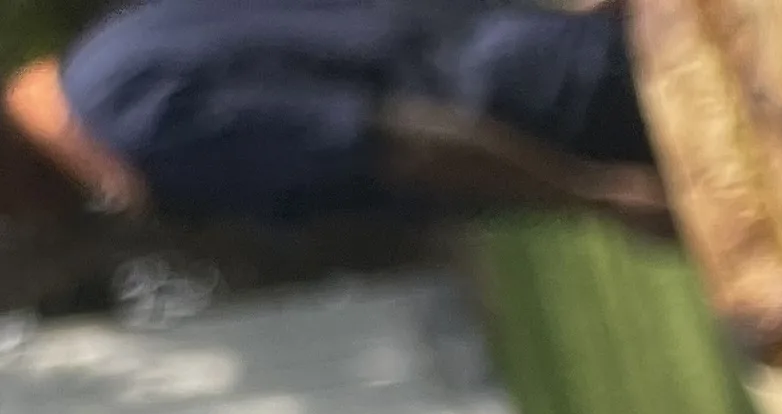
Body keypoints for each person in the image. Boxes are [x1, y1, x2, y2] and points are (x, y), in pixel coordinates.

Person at [3, 0, 665, 231]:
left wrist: (592, 192)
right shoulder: (113, 50)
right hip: (530, 46)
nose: (24, 224)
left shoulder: (144, 129)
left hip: (540, 107)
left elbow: (397, 140)